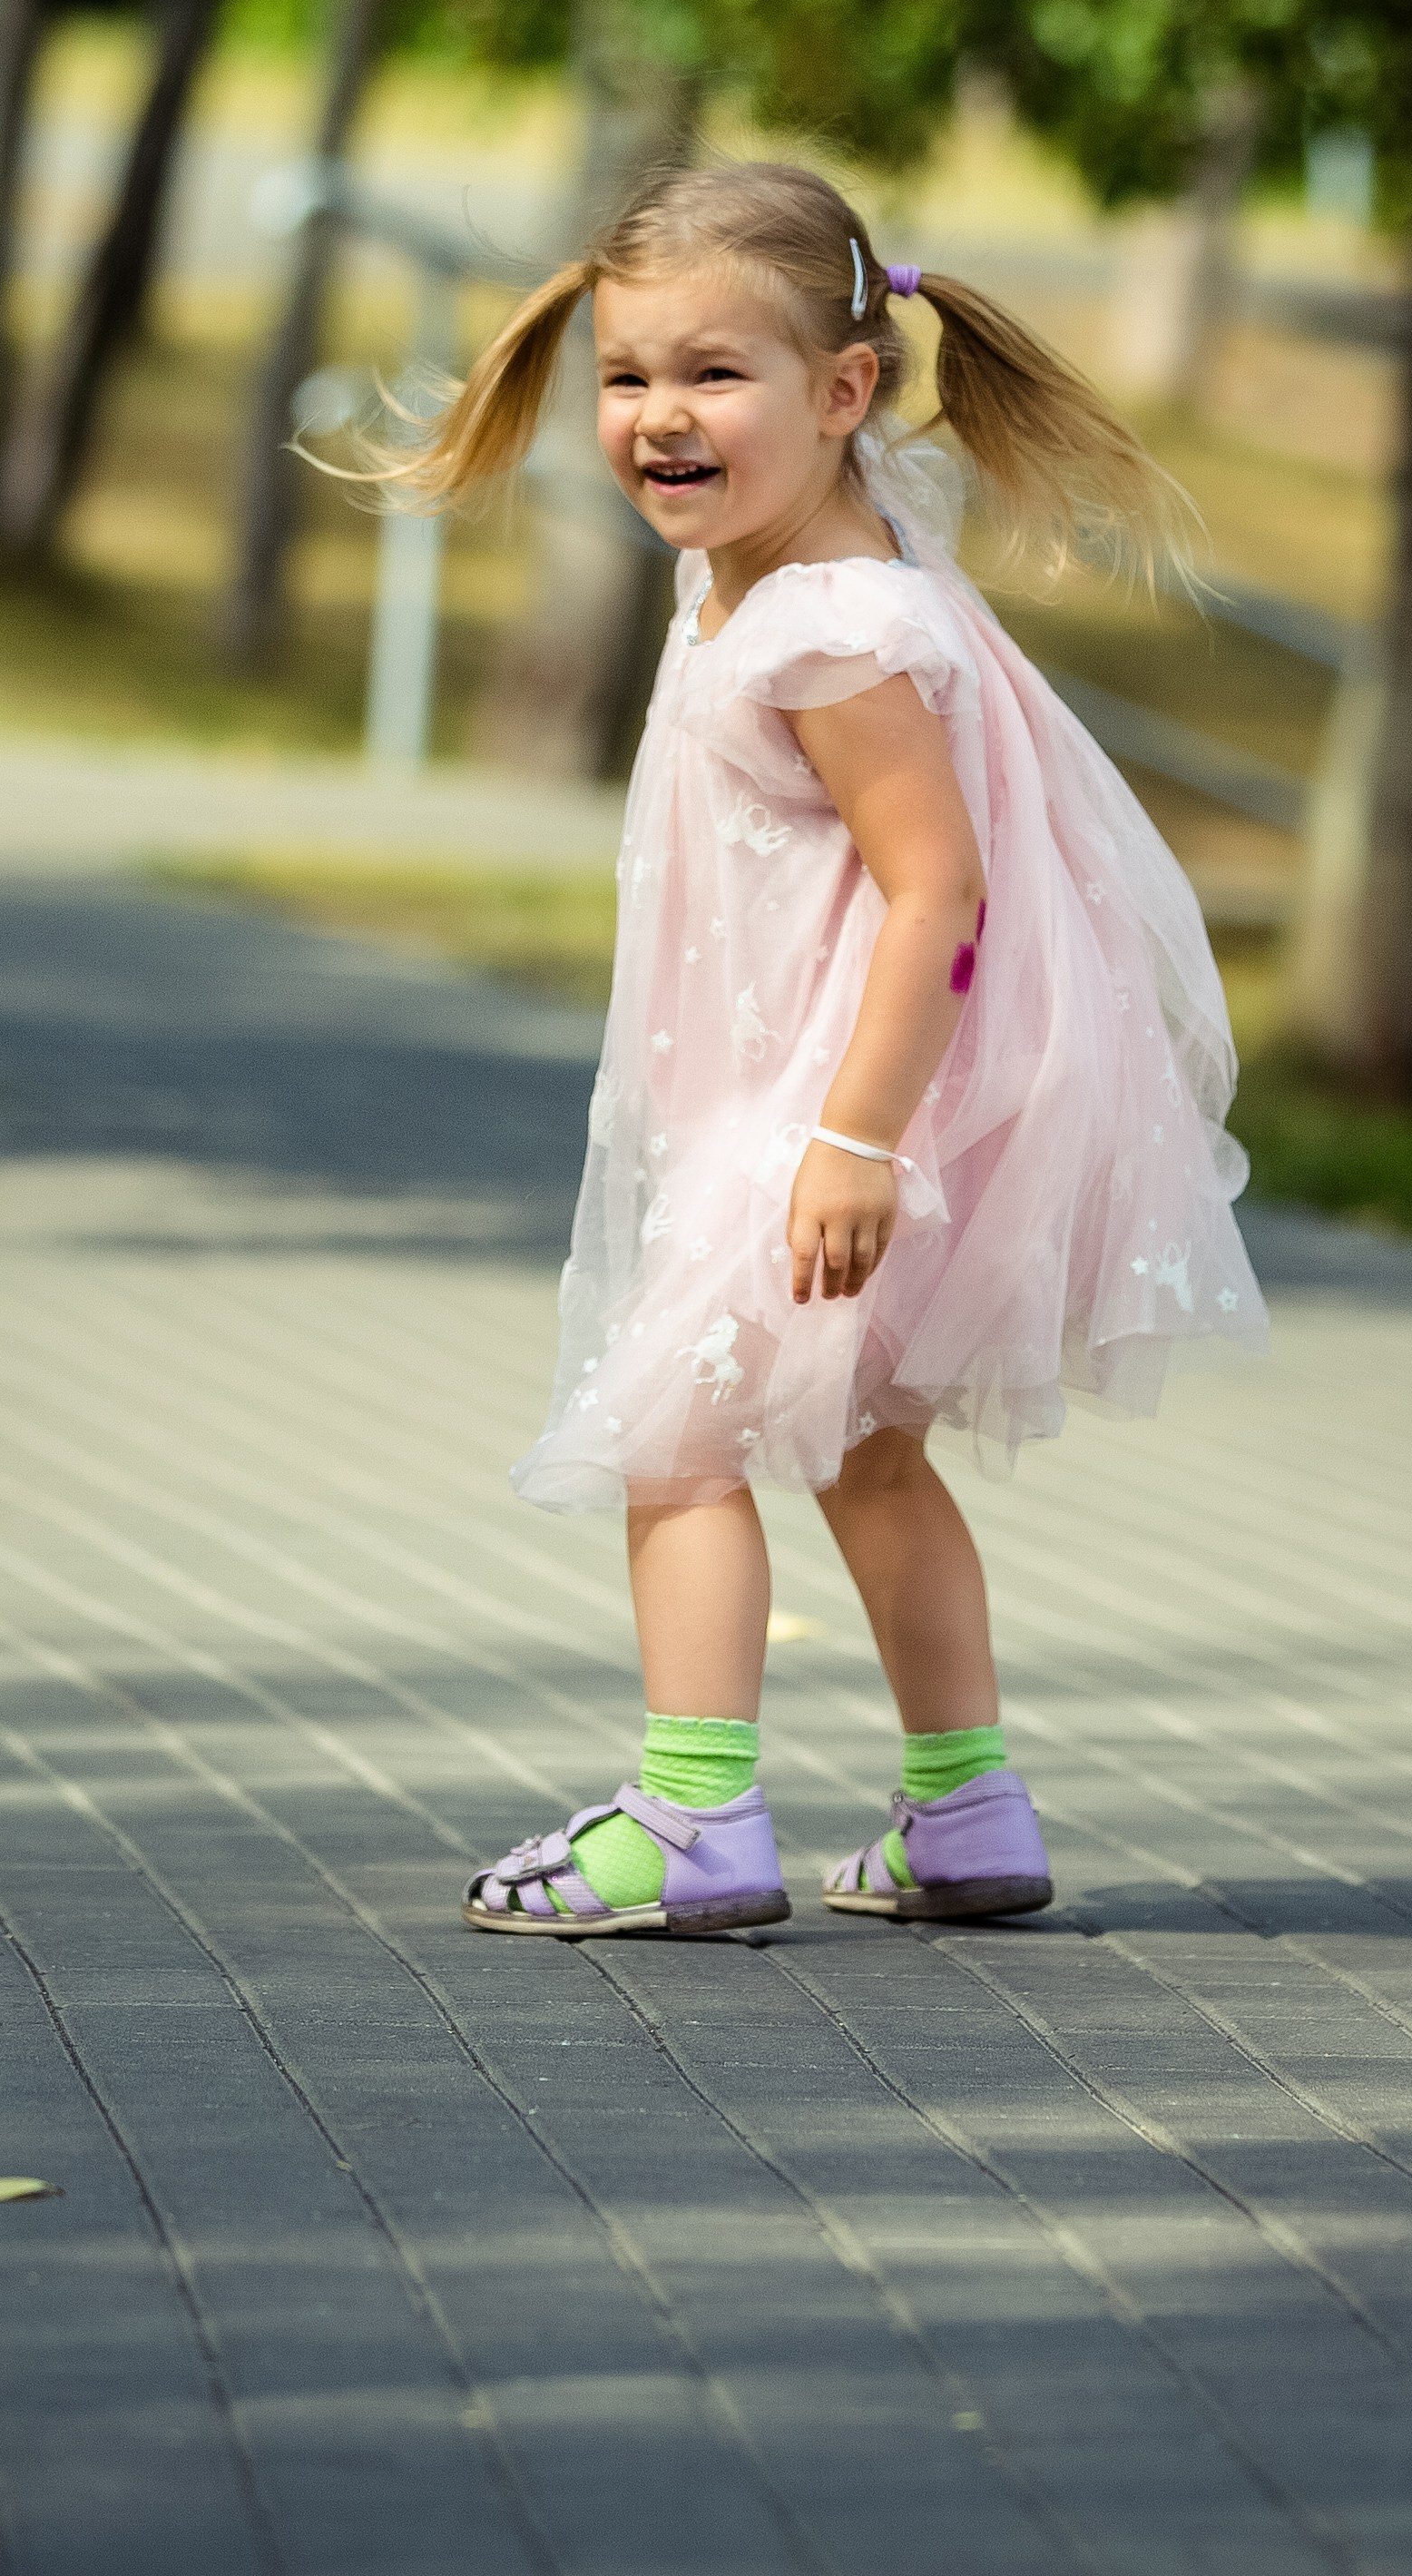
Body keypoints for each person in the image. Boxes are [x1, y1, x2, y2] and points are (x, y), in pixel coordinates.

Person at [402, 160, 1265, 1938]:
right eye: (626, 375)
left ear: (843, 390)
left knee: (675, 1448)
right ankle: (963, 1814)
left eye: (713, 374)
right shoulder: (793, 564)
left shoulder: (823, 623)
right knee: (870, 1453)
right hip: (817, 1115)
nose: (657, 417)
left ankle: (691, 1822)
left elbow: (933, 891)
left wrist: (851, 1141)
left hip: (819, 1121)